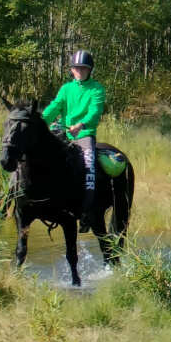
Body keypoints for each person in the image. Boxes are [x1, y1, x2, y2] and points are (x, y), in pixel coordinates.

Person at [42, 49, 107, 220]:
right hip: (63, 135)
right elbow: (55, 106)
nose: (80, 71)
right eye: (77, 68)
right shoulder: (66, 88)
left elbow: (95, 112)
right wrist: (41, 121)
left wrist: (81, 125)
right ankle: (7, 201)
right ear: (71, 69)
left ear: (90, 70)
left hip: (85, 134)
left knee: (89, 166)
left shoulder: (96, 89)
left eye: (83, 68)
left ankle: (87, 210)